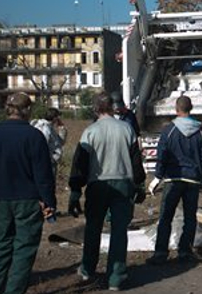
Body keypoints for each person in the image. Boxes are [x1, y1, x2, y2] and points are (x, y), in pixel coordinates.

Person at [0, 93, 56, 294]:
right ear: (27, 110)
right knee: (24, 249)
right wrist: (48, 201)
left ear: (7, 109)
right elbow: (43, 174)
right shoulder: (33, 136)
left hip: (0, 200)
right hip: (27, 200)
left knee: (2, 246)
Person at [68, 92, 146, 291]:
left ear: (95, 109)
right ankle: (116, 277)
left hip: (97, 185)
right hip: (123, 184)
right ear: (113, 107)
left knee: (93, 228)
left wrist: (75, 191)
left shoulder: (90, 132)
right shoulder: (127, 129)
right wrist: (140, 186)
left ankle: (87, 269)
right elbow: (136, 162)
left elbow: (80, 165)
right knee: (119, 231)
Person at [147, 96, 202, 265]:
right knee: (190, 218)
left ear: (176, 110)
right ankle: (185, 251)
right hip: (193, 180)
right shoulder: (201, 130)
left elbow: (162, 155)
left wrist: (157, 178)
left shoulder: (169, 130)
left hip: (173, 179)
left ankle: (161, 252)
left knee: (166, 216)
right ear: (191, 109)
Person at [31, 107, 66, 177]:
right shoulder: (44, 128)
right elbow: (41, 146)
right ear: (55, 118)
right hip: (47, 163)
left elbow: (60, 142)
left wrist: (62, 129)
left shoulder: (49, 127)